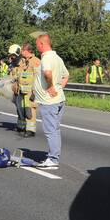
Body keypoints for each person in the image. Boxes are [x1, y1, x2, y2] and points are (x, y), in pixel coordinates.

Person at [32, 33, 68, 168]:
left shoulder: (46, 58)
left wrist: (51, 86)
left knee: (50, 131)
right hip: (59, 99)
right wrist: (58, 88)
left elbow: (47, 73)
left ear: (42, 44)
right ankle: (54, 156)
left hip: (49, 102)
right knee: (55, 129)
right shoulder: (57, 58)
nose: (37, 47)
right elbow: (66, 75)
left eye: (37, 45)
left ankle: (53, 159)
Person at [17, 43, 40, 137]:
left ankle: (31, 130)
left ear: (27, 51)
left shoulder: (36, 61)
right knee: (24, 110)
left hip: (31, 91)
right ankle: (25, 127)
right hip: (22, 91)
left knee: (31, 110)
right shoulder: (22, 62)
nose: (21, 52)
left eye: (22, 50)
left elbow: (38, 77)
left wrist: (35, 91)